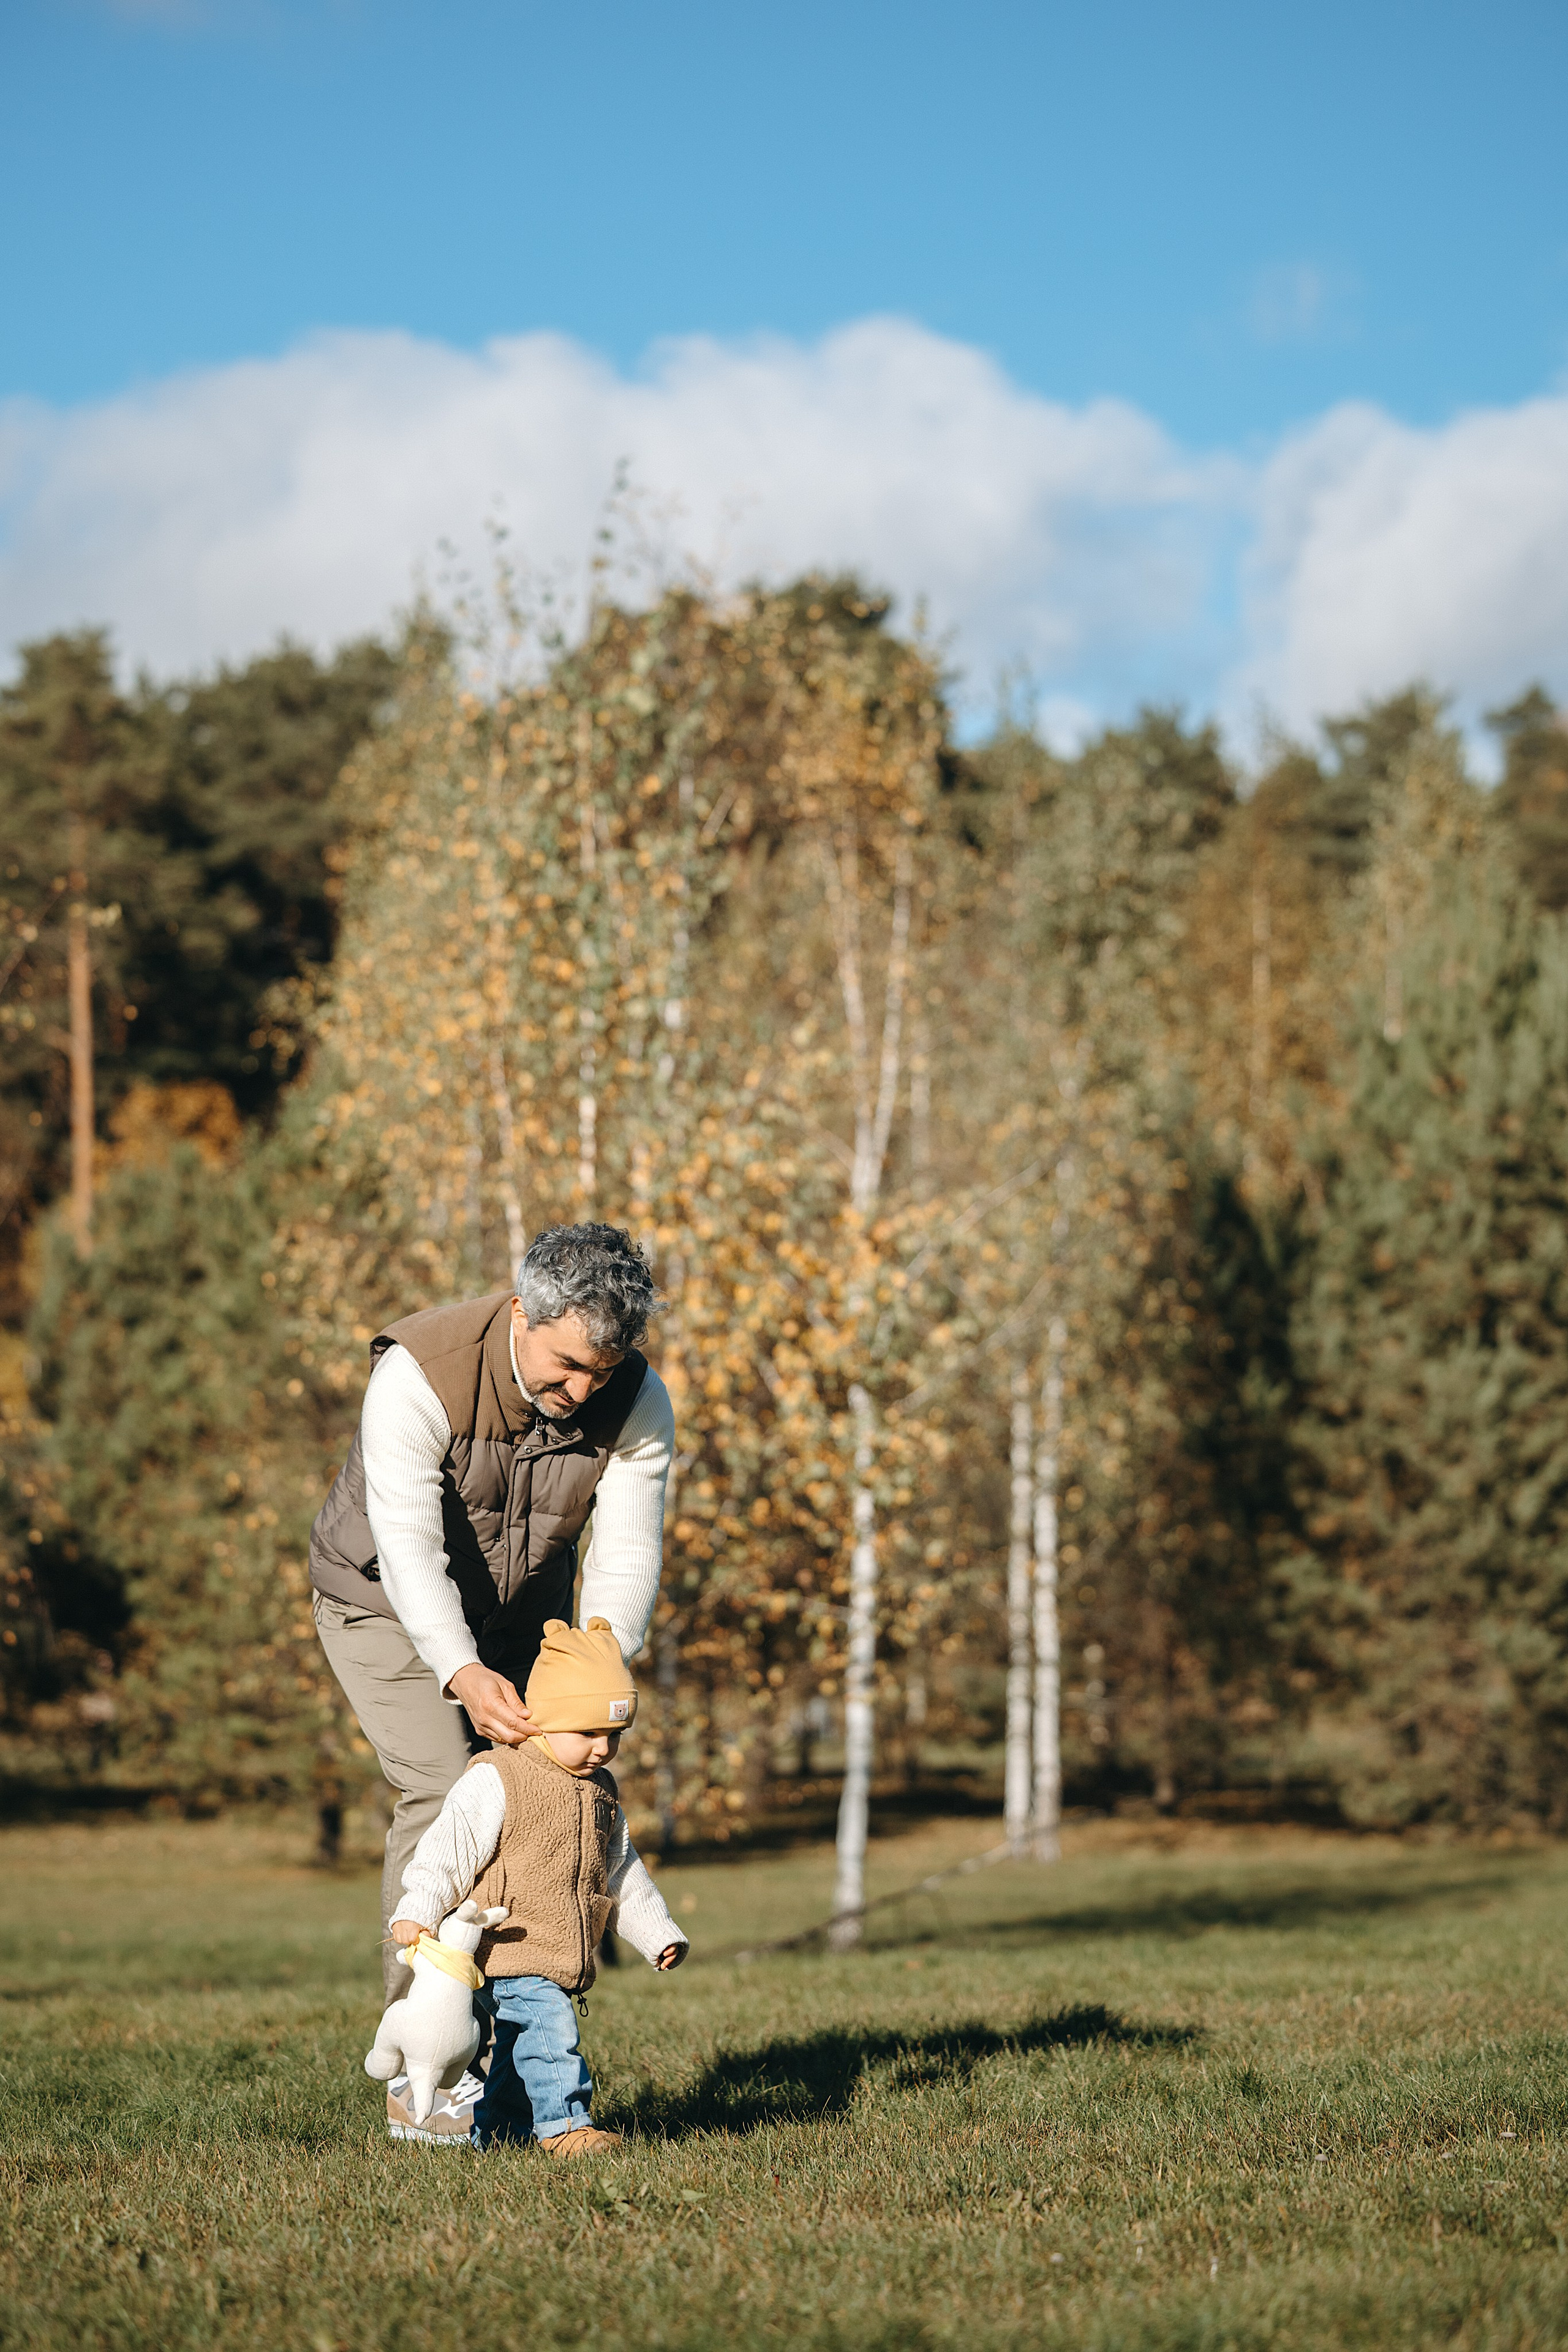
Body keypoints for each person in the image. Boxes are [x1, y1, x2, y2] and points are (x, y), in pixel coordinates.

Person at [309, 1222, 674, 2140]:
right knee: (447, 1790)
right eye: (564, 1365)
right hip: (385, 1605)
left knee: (551, 1791)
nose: (581, 1391)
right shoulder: (417, 1374)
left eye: (603, 1368)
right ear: (522, 1314)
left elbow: (627, 1551)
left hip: (526, 1619)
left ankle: (520, 2062)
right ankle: (424, 2071)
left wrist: (592, 1666)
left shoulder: (637, 1400)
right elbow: (408, 1550)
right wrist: (462, 1670)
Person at [388, 1616, 687, 2155]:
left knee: (517, 2045)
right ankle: (566, 2128)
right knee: (550, 2031)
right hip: (508, 1945)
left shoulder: (599, 1790)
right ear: (545, 1721)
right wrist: (419, 1911)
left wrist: (656, 1933)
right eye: (588, 1732)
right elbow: (447, 1852)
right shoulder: (500, 1777)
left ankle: (497, 2134)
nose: (602, 1748)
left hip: (557, 1949)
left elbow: (621, 1869)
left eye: (615, 1735)